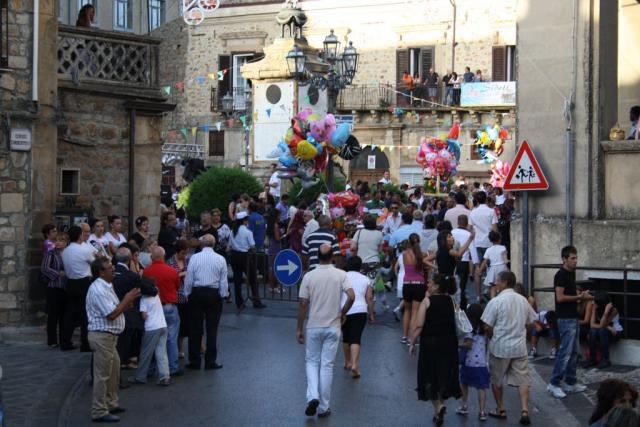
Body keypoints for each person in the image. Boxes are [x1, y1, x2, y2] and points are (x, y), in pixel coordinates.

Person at [297, 244, 355, 418]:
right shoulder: (341, 274)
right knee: (327, 366)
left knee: (311, 362)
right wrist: (342, 312)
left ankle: (312, 396)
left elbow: (303, 304)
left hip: (314, 325)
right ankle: (323, 407)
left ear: (317, 256)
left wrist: (299, 328)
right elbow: (352, 296)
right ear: (333, 257)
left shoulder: (309, 276)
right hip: (333, 325)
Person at [86, 258, 140, 423]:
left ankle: (111, 403)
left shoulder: (107, 286)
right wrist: (127, 299)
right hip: (102, 336)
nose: (114, 269)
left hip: (110, 337)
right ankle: (99, 410)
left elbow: (116, 308)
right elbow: (111, 314)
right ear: (101, 272)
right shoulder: (98, 289)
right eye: (110, 268)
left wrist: (126, 303)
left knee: (114, 371)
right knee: (102, 375)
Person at [481, 271, 537, 426]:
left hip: (500, 347)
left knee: (497, 380)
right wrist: (522, 332)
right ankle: (524, 410)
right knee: (523, 379)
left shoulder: (496, 301)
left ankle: (501, 409)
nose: (496, 284)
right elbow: (531, 322)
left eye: (498, 281)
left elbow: (486, 326)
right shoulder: (523, 300)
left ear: (504, 282)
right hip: (519, 347)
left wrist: (492, 336)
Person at [410, 274, 460, 426]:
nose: (428, 285)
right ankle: (438, 413)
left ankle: (438, 406)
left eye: (430, 283)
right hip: (449, 342)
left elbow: (419, 325)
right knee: (443, 376)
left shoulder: (427, 301)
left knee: (429, 376)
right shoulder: (451, 300)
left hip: (430, 343)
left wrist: (412, 342)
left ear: (437, 286)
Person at [547, 246, 593, 399]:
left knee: (574, 352)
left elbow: (570, 294)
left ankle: (570, 382)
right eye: (572, 258)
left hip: (573, 317)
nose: (575, 261)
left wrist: (581, 295)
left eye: (576, 258)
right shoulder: (560, 275)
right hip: (565, 318)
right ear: (564, 259)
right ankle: (554, 384)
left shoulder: (571, 273)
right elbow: (560, 297)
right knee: (565, 352)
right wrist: (580, 298)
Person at [183, 234, 230, 370]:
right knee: (212, 329)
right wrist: (224, 294)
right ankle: (210, 361)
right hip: (213, 294)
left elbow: (189, 278)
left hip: (197, 293)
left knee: (195, 328)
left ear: (202, 244)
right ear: (214, 244)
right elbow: (223, 280)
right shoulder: (220, 259)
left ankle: (194, 361)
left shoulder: (194, 258)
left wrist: (187, 293)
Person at [142, 246, 182, 376]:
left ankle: (151, 368)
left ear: (151, 257)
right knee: (171, 338)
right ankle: (173, 367)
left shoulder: (147, 271)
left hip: (153, 308)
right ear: (163, 256)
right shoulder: (171, 271)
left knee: (153, 338)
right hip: (169, 306)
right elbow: (177, 286)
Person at [129, 276, 171, 387]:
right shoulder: (156, 293)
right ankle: (165, 376)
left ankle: (140, 377)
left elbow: (144, 316)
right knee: (161, 353)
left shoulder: (144, 300)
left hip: (151, 328)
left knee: (145, 353)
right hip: (163, 325)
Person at [61, 225, 95, 352]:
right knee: (85, 313)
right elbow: (94, 262)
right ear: (80, 235)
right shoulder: (83, 250)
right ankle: (85, 344)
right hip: (83, 282)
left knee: (70, 313)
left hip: (70, 282)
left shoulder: (65, 251)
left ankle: (65, 342)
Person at [113, 248, 145, 373]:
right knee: (126, 337)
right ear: (129, 259)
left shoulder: (111, 273)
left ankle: (120, 360)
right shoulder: (132, 276)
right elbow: (142, 288)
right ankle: (124, 360)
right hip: (128, 310)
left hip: (112, 308)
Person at [341, 256, 374, 379]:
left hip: (344, 310)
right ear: (360, 266)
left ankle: (347, 362)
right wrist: (371, 313)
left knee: (346, 337)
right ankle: (355, 364)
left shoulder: (342, 277)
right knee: (356, 338)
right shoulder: (365, 279)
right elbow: (369, 297)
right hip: (360, 310)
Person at [456, 303, 490, 421]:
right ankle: (482, 411)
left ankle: (464, 406)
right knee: (481, 387)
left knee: (464, 384)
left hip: (468, 362)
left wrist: (458, 344)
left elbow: (468, 344)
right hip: (481, 363)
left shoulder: (469, 328)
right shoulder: (484, 329)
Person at [229, 212, 265, 309]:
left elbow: (230, 245)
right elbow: (252, 247)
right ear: (244, 221)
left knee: (237, 281)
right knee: (253, 279)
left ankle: (239, 303)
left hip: (234, 255)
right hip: (245, 256)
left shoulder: (232, 231)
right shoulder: (248, 232)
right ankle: (256, 301)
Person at [41, 232, 68, 348]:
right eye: (56, 240)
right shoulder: (51, 254)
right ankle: (52, 341)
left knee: (64, 316)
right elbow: (44, 268)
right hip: (54, 287)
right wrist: (57, 273)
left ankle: (64, 340)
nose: (58, 242)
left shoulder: (68, 254)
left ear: (66, 242)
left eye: (61, 240)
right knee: (53, 315)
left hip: (66, 287)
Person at [470, 192, 498, 300]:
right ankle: (490, 292)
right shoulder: (491, 211)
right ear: (486, 199)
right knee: (490, 268)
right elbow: (494, 229)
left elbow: (470, 228)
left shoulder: (473, 212)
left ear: (476, 200)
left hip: (477, 243)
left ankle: (478, 295)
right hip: (489, 242)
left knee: (478, 269)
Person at [584, 291, 623, 369]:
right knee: (592, 331)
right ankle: (592, 358)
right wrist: (608, 327)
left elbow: (602, 325)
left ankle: (606, 359)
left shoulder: (613, 310)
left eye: (595, 301)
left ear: (601, 303)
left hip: (615, 332)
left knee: (601, 331)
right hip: (604, 330)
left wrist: (605, 312)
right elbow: (592, 325)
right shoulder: (595, 308)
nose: (592, 303)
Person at [167, 240, 190, 359]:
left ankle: (181, 348)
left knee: (185, 325)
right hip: (175, 298)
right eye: (183, 253)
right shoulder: (170, 262)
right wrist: (182, 274)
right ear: (177, 251)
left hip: (187, 296)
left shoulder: (188, 260)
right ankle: (177, 349)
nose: (184, 255)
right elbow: (169, 278)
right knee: (177, 325)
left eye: (186, 253)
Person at [478, 231, 508, 299]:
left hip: (493, 269)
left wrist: (480, 270)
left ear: (490, 240)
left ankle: (492, 302)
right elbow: (505, 261)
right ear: (499, 239)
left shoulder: (488, 250)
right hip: (502, 268)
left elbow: (484, 261)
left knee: (493, 287)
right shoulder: (503, 248)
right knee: (503, 286)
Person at [451, 215, 472, 308]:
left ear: (458, 222)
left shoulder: (452, 232)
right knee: (462, 285)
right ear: (467, 223)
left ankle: (454, 303)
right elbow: (472, 249)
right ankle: (462, 305)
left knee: (453, 283)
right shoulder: (468, 234)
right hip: (464, 260)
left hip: (453, 260)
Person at [266, 208, 283, 293]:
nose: (280, 217)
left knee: (273, 268)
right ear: (276, 216)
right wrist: (285, 235)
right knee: (275, 268)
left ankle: (273, 286)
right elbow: (277, 239)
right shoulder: (275, 225)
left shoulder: (270, 224)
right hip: (275, 247)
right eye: (279, 215)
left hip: (272, 247)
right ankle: (274, 287)